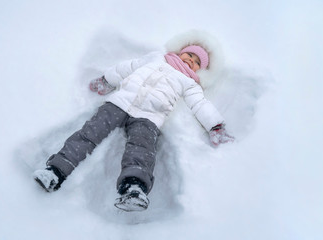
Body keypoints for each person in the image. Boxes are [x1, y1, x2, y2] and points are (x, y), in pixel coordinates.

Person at [33, 30, 234, 212]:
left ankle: (134, 188)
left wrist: (215, 125)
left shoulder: (190, 83)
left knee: (142, 148)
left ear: (200, 70)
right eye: (190, 55)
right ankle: (56, 171)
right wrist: (106, 80)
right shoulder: (156, 58)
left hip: (148, 117)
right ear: (181, 52)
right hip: (118, 104)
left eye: (197, 62)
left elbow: (200, 105)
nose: (191, 61)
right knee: (89, 133)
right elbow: (125, 68)